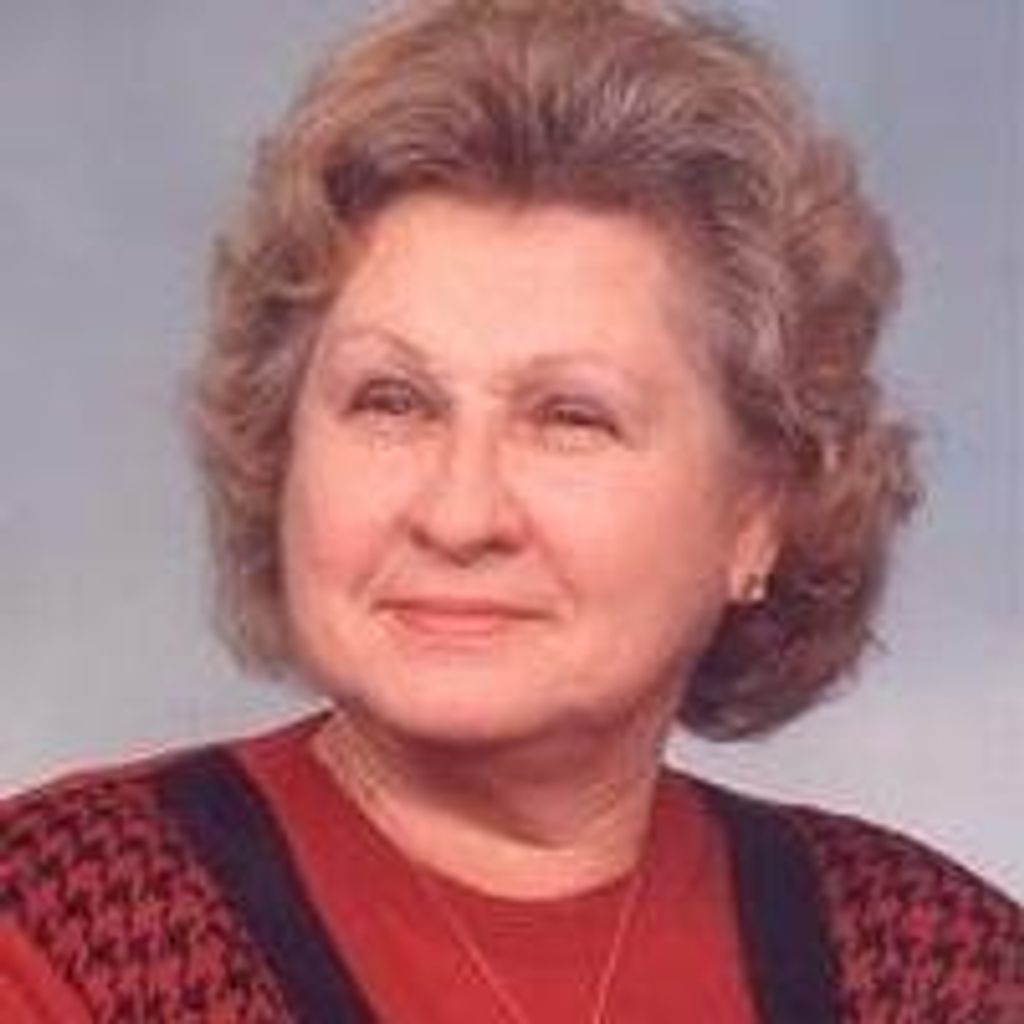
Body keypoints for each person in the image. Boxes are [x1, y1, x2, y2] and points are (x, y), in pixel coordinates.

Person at [2, 0, 1020, 1020]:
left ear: (759, 510)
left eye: (569, 417)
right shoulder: (57, 933)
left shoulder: (932, 970)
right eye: (391, 402)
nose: (458, 515)